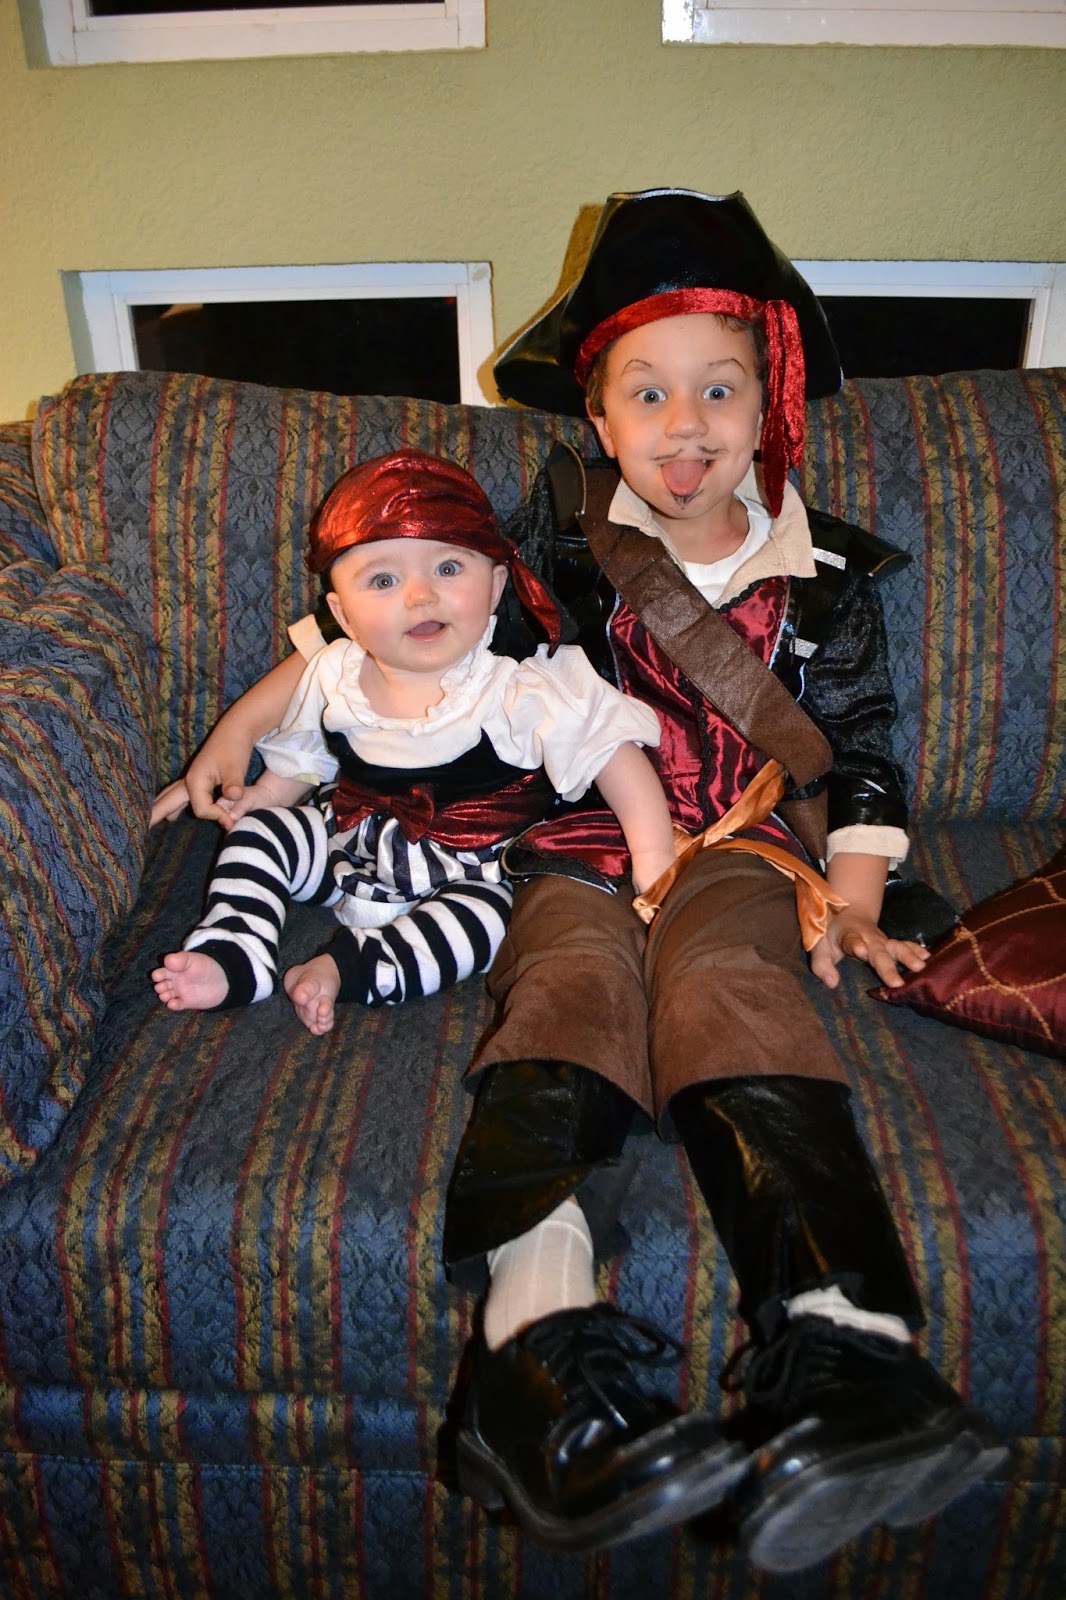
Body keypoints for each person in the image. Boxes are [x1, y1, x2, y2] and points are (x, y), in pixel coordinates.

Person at [435, 189, 1005, 1568]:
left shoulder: (827, 575)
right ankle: (534, 1363)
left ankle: (849, 1353)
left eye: (718, 388)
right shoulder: (555, 541)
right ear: (598, 413)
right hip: (579, 831)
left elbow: (858, 744)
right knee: (566, 988)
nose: (683, 425)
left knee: (730, 984)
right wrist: (273, 737)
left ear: (769, 403)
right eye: (647, 392)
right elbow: (421, 632)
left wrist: (854, 888)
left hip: (741, 841)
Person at [152, 448, 674, 1033]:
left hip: (469, 871)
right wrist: (258, 801)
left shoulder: (518, 688)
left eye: (448, 569)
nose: (420, 595)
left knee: (489, 921)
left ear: (496, 585)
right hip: (348, 845)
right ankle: (235, 950)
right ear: (343, 615)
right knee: (259, 834)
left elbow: (612, 754)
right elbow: (301, 761)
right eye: (383, 580)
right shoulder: (334, 675)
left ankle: (350, 968)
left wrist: (655, 863)